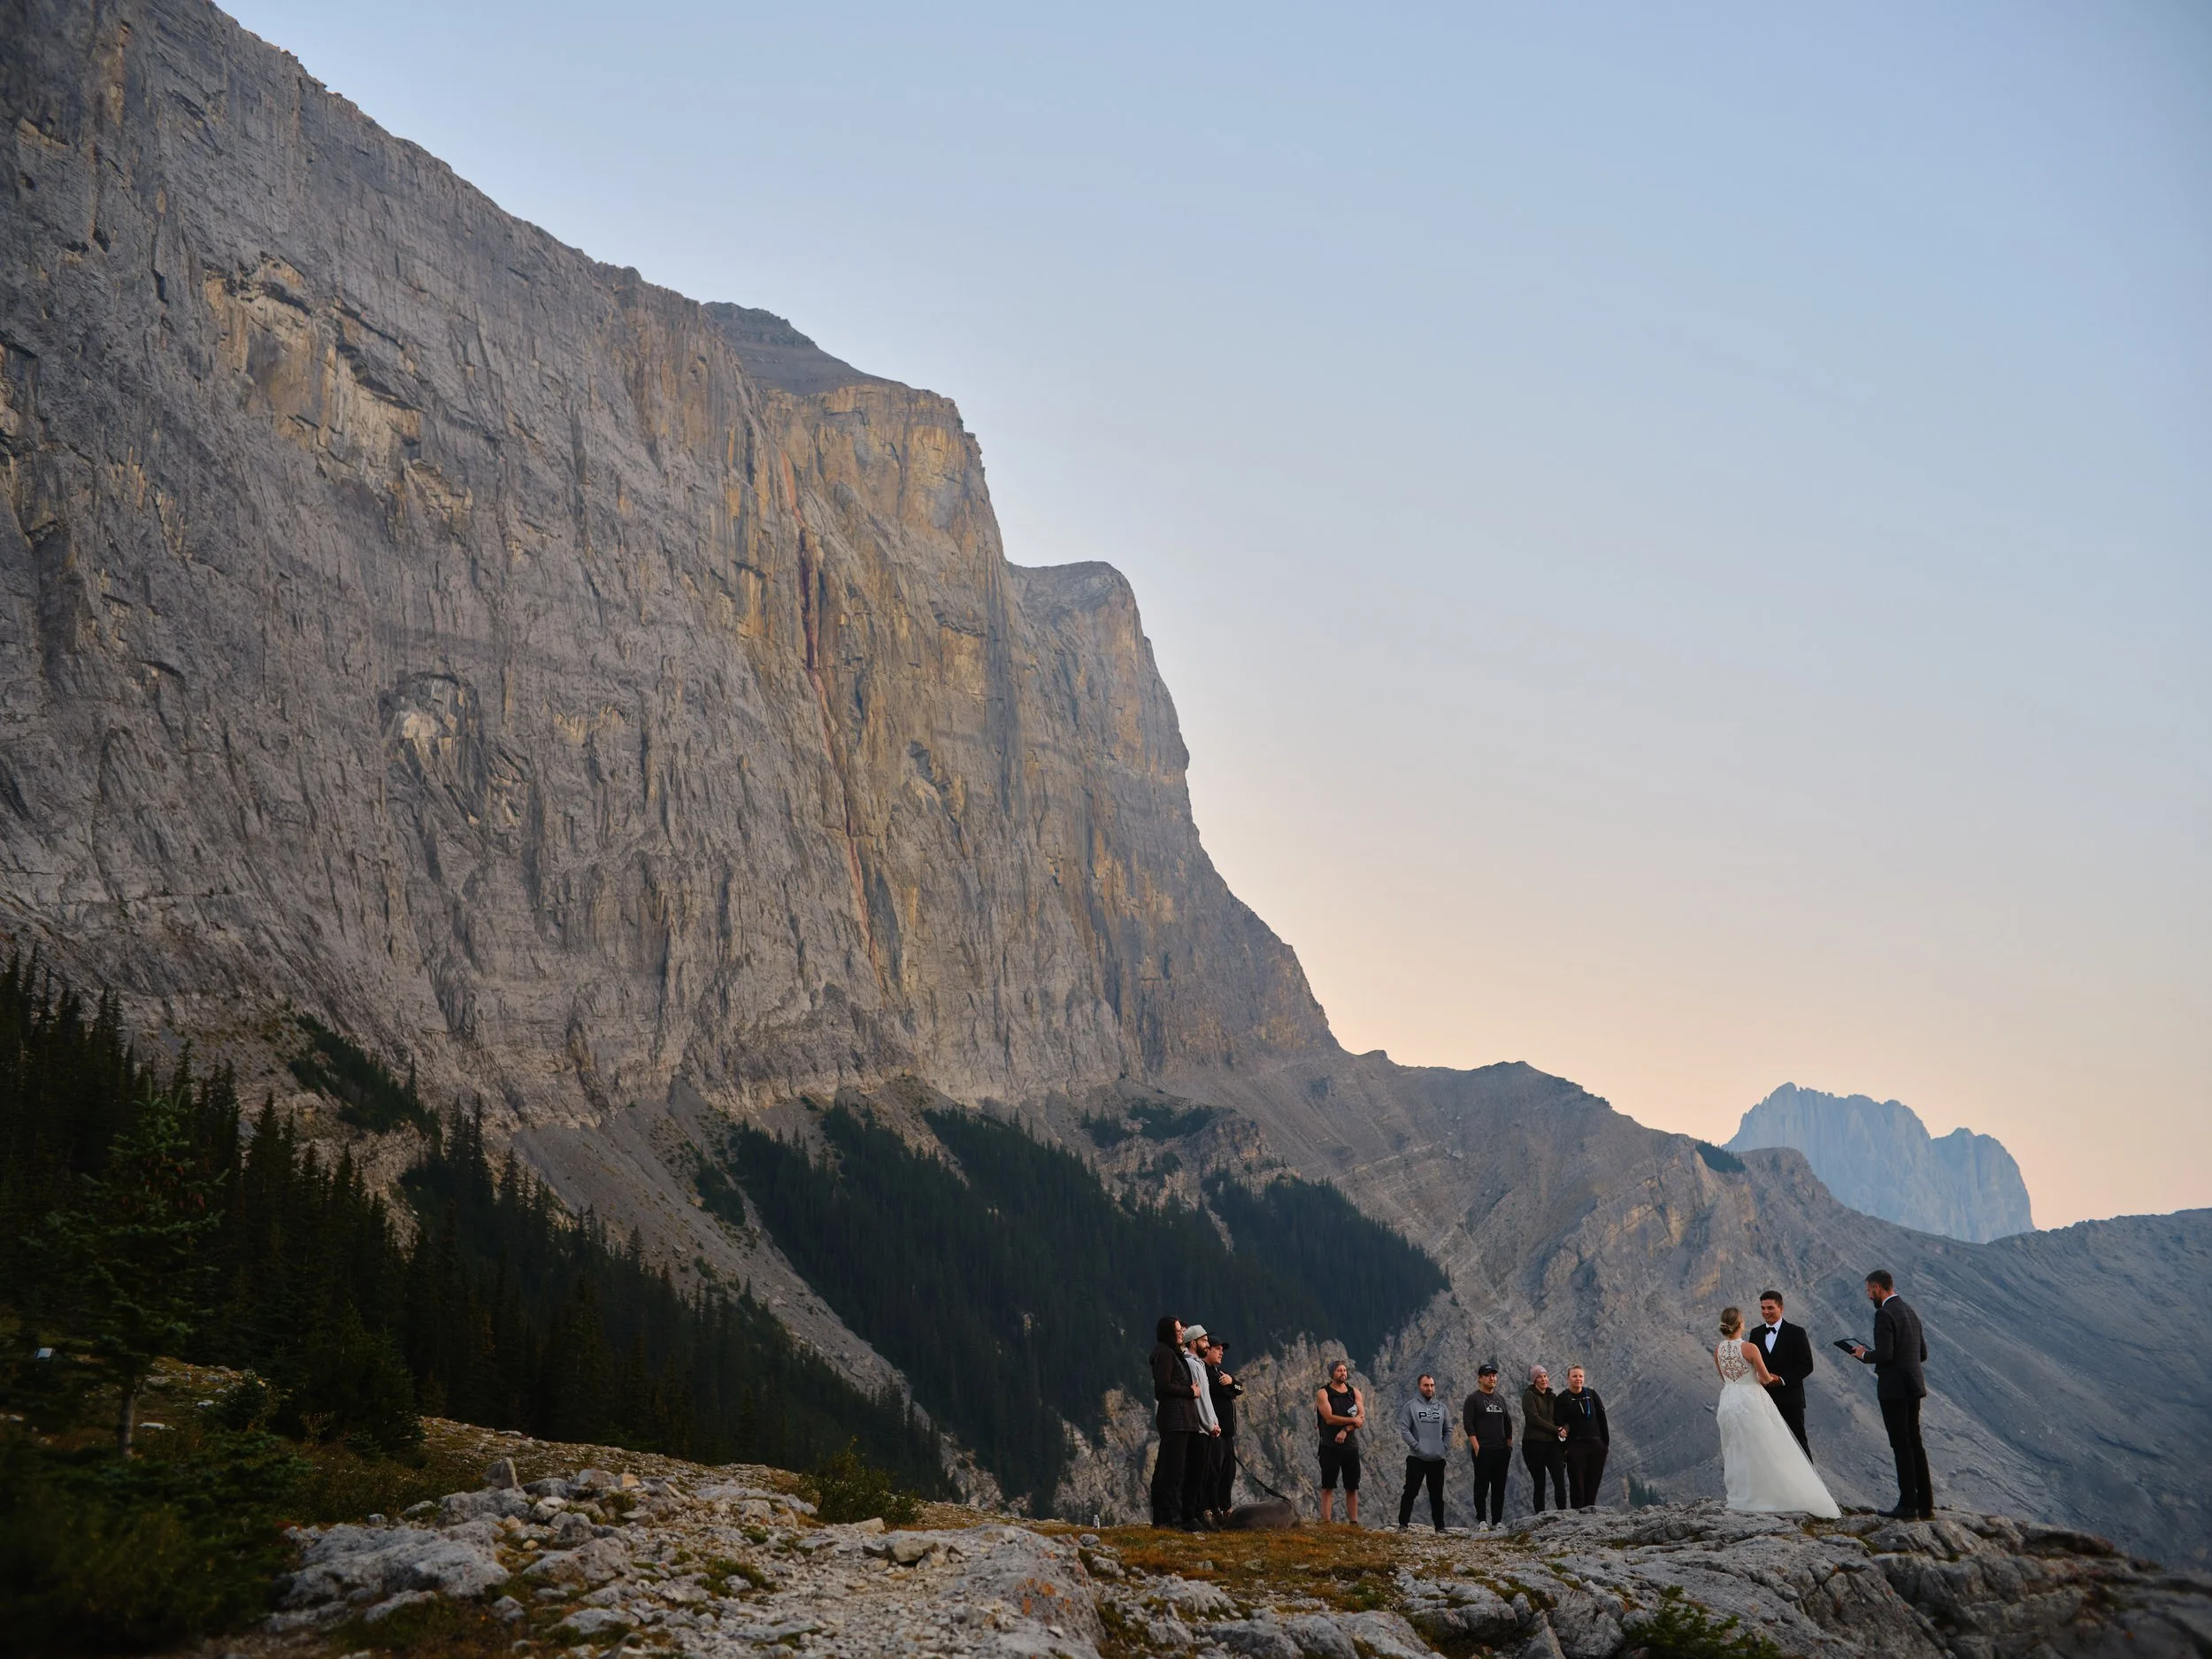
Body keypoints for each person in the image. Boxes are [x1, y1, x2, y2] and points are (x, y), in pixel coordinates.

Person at [1713, 1305, 1839, 1517]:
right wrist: (1774, 1378)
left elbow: (1724, 1377)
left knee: (1737, 1448)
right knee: (1766, 1445)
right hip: (1750, 1400)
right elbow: (1764, 1378)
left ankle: (1744, 1493)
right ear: (1740, 1324)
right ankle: (1773, 1494)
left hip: (1729, 1401)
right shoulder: (1750, 1348)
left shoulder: (1718, 1350)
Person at [1847, 1269, 1933, 1519]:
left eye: (1868, 1291)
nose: (1868, 1295)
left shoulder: (1884, 1314)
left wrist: (1863, 1354)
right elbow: (1923, 1354)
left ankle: (1907, 1505)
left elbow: (1884, 1355)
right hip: (1913, 1386)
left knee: (1900, 1445)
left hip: (1894, 1389)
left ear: (1877, 1287)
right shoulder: (1909, 1311)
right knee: (1915, 1444)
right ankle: (1926, 1506)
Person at [1747, 1290, 1816, 1455]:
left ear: (1781, 1308)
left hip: (1790, 1400)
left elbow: (1806, 1365)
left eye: (1770, 1308)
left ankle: (1808, 1480)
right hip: (1764, 1400)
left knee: (1799, 1444)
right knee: (1768, 1447)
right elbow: (1752, 1364)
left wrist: (1783, 1380)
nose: (1766, 1312)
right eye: (1763, 1308)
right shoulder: (1756, 1333)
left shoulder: (1796, 1332)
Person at [1150, 1316, 1204, 1528]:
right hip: (1175, 1419)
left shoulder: (1172, 1353)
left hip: (1181, 1419)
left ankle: (1171, 1517)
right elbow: (1163, 1387)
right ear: (1168, 1333)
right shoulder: (1164, 1354)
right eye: (1178, 1331)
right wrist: (1190, 1391)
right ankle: (1167, 1519)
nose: (1182, 1333)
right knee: (1171, 1472)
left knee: (1174, 1470)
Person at [1396, 1373, 1451, 1532]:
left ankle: (1440, 1527)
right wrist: (1416, 1446)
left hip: (1437, 1459)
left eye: (1432, 1385)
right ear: (1419, 1387)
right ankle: (1403, 1524)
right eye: (1426, 1385)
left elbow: (1448, 1429)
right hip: (1416, 1458)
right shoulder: (1411, 1406)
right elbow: (1404, 1429)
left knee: (1437, 1495)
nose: (1430, 1388)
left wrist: (1444, 1447)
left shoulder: (1442, 1408)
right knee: (1410, 1491)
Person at [1462, 1362, 1514, 1529]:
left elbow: (1508, 1422)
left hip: (1501, 1450)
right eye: (1488, 1375)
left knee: (1499, 1487)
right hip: (1483, 1449)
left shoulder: (1500, 1399)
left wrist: (1509, 1445)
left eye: (1494, 1375)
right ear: (1480, 1378)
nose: (1492, 1378)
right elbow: (1468, 1423)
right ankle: (1482, 1520)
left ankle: (1497, 1521)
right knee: (1481, 1486)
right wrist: (1477, 1447)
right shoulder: (1473, 1399)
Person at [1315, 1358, 1364, 1524]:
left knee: (1352, 1487)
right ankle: (1326, 1523)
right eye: (1339, 1370)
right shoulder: (1324, 1393)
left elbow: (1360, 1418)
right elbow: (1329, 1419)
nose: (1343, 1373)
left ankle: (1353, 1522)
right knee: (1328, 1486)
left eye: (1344, 1370)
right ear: (1332, 1374)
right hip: (1329, 1446)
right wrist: (1351, 1422)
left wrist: (1345, 1430)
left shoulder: (1354, 1392)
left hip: (1350, 1447)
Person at [1184, 1324, 1223, 1527]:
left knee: (1205, 1473)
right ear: (1193, 1343)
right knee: (1196, 1474)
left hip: (1206, 1428)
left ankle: (1199, 1514)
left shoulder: (1198, 1364)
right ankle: (1192, 1515)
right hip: (1199, 1429)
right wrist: (1210, 1424)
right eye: (1204, 1341)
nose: (1207, 1345)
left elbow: (1206, 1398)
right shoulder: (1191, 1365)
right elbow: (1199, 1400)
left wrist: (1214, 1422)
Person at [1558, 1364, 1609, 1509]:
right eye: (1574, 1376)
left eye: (1580, 1376)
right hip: (1576, 1446)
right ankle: (1577, 1517)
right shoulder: (1563, 1398)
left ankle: (1590, 1513)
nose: (1578, 1379)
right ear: (1568, 1378)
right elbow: (1559, 1424)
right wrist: (1565, 1450)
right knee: (1577, 1485)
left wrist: (1605, 1445)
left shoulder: (1592, 1395)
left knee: (1593, 1483)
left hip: (1596, 1445)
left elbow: (1602, 1418)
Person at [1204, 1337, 1244, 1519]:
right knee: (1215, 1472)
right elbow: (1223, 1392)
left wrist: (1232, 1381)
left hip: (1228, 1433)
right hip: (1215, 1432)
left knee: (1229, 1472)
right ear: (1208, 1349)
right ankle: (1213, 1508)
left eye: (1222, 1350)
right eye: (1218, 1349)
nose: (1221, 1352)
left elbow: (1239, 1388)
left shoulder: (1221, 1373)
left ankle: (1226, 1506)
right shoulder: (1205, 1372)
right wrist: (1231, 1388)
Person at [1521, 1366, 1568, 1512]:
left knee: (1559, 1480)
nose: (1544, 1379)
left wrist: (1566, 1428)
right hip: (1534, 1445)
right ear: (1534, 1380)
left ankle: (1563, 1513)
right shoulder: (1529, 1395)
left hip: (1552, 1445)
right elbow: (1534, 1419)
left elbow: (1563, 1416)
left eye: (1545, 1376)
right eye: (1540, 1377)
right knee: (1539, 1482)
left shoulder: (1552, 1396)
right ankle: (1540, 1516)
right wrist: (1557, 1430)